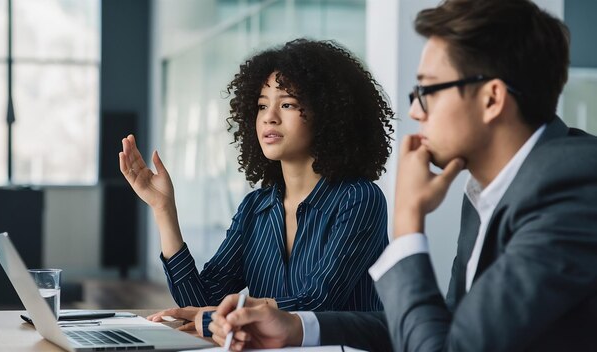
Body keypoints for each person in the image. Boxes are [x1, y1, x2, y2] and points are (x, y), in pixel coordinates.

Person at [209, 0, 597, 351]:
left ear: (492, 99)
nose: (415, 111)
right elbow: (443, 327)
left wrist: (409, 221)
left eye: (428, 90)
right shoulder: (487, 189)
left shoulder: (569, 186)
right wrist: (296, 327)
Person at [119, 39, 394, 336]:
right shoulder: (255, 207)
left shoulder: (359, 198)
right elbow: (201, 301)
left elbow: (317, 302)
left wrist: (217, 320)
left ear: (328, 114)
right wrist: (164, 210)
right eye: (262, 105)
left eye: (287, 104)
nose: (269, 117)